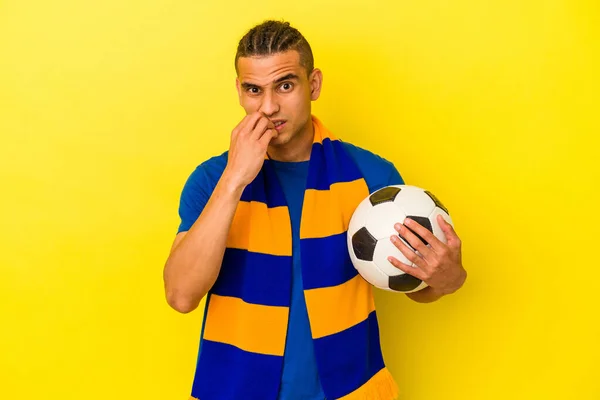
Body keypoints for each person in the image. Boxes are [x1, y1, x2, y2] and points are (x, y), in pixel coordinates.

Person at [163, 20, 467, 400]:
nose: (269, 106)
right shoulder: (212, 180)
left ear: (315, 85)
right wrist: (234, 180)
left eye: (285, 85)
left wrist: (446, 279)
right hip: (233, 390)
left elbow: (412, 283)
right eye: (253, 90)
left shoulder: (371, 177)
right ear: (239, 92)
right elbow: (181, 295)